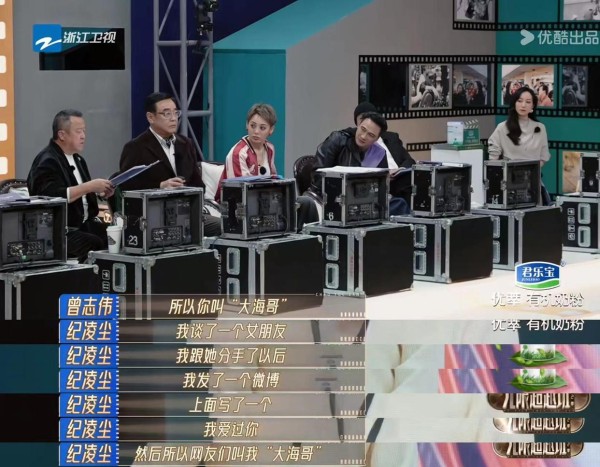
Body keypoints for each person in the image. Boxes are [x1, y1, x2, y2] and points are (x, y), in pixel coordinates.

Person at [119, 92, 220, 236]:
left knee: (224, 226)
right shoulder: (136, 147)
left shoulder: (186, 144)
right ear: (151, 117)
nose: (173, 118)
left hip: (187, 214)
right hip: (152, 218)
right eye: (166, 114)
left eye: (175, 113)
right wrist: (160, 186)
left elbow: (199, 184)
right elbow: (125, 186)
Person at [27, 109, 114, 262]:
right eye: (78, 131)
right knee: (94, 243)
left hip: (84, 223)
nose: (83, 136)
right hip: (60, 231)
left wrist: (100, 192)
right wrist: (90, 186)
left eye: (84, 131)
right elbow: (52, 197)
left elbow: (82, 194)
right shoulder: (47, 161)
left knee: (115, 236)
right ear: (62, 135)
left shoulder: (78, 160)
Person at [309, 111, 410, 216]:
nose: (363, 136)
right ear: (358, 124)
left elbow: (381, 187)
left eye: (371, 135)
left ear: (376, 139)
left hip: (364, 200)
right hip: (334, 197)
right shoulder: (337, 139)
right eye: (363, 129)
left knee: (399, 204)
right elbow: (318, 174)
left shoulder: (378, 153)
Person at [487, 87, 552, 205]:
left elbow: (544, 157)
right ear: (514, 103)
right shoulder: (502, 128)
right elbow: (493, 158)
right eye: (520, 101)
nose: (523, 105)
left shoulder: (540, 128)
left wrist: (529, 172)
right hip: (509, 183)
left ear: (533, 106)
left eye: (528, 102)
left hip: (532, 183)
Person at [215, 103, 277, 201]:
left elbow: (274, 180)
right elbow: (239, 191)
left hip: (262, 202)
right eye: (253, 126)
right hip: (233, 205)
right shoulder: (239, 153)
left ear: (271, 130)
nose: (256, 131)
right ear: (247, 125)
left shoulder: (270, 148)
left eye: (262, 128)